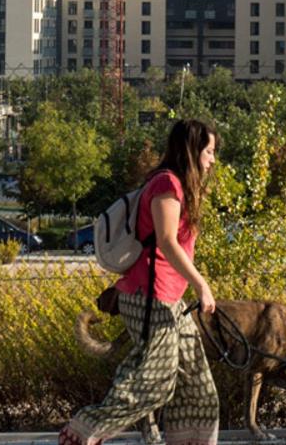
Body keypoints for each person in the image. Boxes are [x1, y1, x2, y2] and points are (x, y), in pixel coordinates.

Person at [60, 118, 221, 445]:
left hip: (170, 298)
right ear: (191, 151)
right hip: (149, 295)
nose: (212, 160)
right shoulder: (167, 185)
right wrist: (202, 285)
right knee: (155, 380)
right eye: (208, 151)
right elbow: (166, 241)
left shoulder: (181, 187)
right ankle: (83, 432)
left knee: (198, 385)